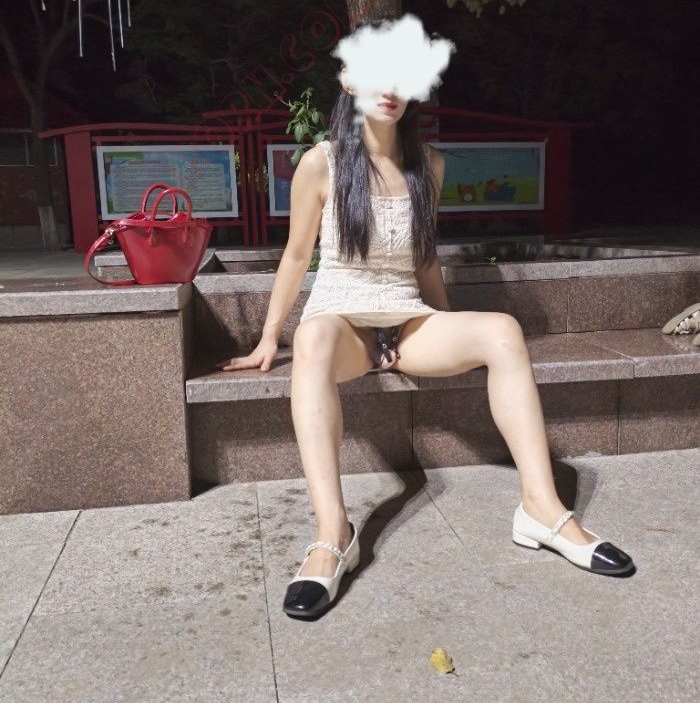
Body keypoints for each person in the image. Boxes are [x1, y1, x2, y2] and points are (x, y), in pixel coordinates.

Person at [217, 39, 634, 620]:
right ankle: (334, 534)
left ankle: (540, 509)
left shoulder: (429, 165)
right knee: (310, 339)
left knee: (502, 330)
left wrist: (446, 319)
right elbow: (295, 255)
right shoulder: (322, 163)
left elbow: (424, 259)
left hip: (408, 321)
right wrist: (268, 338)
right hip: (343, 321)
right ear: (348, 80)